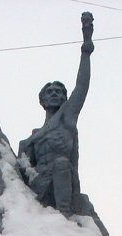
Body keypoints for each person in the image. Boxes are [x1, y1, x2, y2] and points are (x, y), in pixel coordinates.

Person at [18, 12, 94, 217]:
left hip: (63, 182)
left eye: (59, 92)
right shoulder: (34, 135)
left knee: (61, 163)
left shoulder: (67, 119)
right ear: (42, 101)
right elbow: (24, 170)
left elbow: (81, 86)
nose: (54, 94)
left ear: (64, 99)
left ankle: (65, 218)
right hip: (39, 185)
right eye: (49, 92)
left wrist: (86, 49)